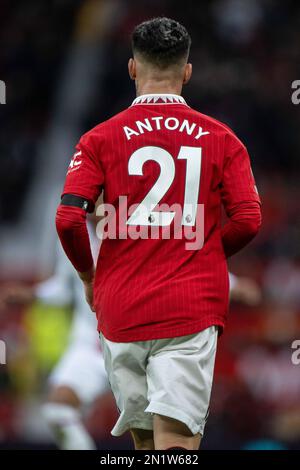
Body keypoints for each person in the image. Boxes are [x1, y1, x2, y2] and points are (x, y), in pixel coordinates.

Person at [56, 17, 261, 450]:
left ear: (133, 68)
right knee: (176, 449)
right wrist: (204, 254)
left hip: (121, 310)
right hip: (188, 309)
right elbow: (248, 219)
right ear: (187, 72)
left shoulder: (98, 139)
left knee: (147, 447)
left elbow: (68, 219)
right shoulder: (222, 138)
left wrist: (88, 277)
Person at [0, 227, 108, 450]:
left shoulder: (140, 229)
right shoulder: (75, 232)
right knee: (58, 410)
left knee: (153, 429)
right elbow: (65, 286)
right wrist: (33, 294)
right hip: (90, 347)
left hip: (138, 343)